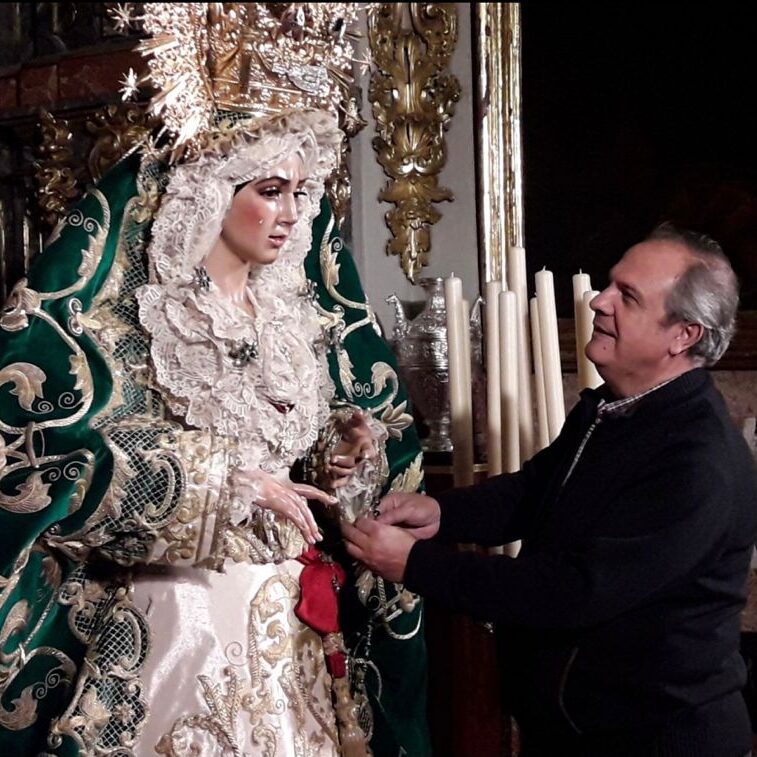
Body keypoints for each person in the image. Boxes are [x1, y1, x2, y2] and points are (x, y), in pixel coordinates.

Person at [0, 4, 430, 756]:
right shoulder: (141, 319)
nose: (291, 215)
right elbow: (60, 454)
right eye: (269, 190)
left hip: (292, 620)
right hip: (183, 613)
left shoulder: (293, 316)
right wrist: (227, 482)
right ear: (211, 189)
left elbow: (298, 464)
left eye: (301, 192)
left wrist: (336, 453)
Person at [343, 224, 757, 756]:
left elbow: (572, 591)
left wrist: (417, 564)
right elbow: (538, 491)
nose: (599, 301)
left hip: (657, 741)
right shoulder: (618, 408)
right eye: (609, 284)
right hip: (584, 733)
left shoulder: (698, 461)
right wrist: (441, 513)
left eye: (628, 296)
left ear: (684, 335)